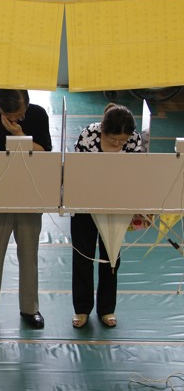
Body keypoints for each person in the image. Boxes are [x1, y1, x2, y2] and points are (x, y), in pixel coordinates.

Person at [0, 89, 52, 329]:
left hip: (30, 194)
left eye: (21, 113)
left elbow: (45, 152)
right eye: (12, 115)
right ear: (0, 109)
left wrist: (19, 135)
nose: (17, 118)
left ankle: (30, 308)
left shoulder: (38, 115)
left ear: (27, 105)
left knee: (29, 254)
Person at [71, 103, 142, 329]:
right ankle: (82, 309)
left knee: (112, 258)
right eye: (114, 140)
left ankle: (106, 309)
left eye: (123, 141)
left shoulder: (134, 140)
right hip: (85, 207)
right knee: (83, 257)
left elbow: (138, 175)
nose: (119, 144)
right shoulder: (87, 135)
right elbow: (76, 174)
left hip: (116, 207)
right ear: (103, 130)